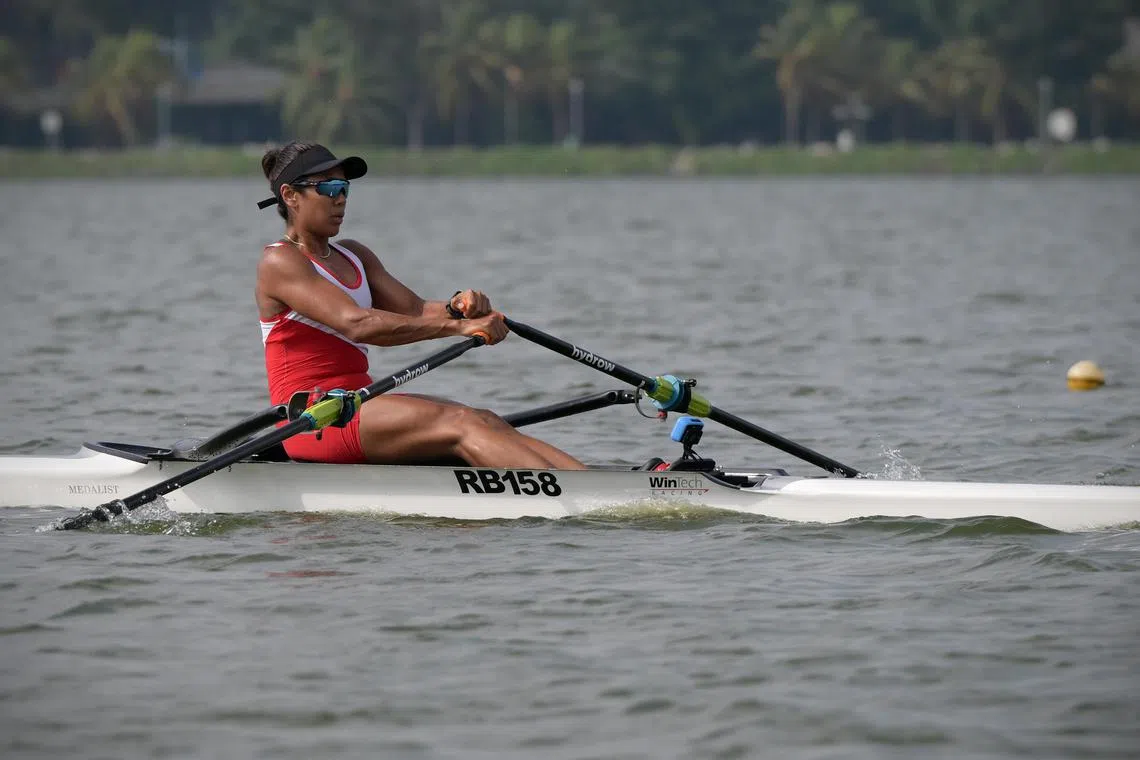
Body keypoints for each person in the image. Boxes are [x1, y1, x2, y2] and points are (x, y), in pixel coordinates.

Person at [255, 140, 586, 470]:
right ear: (290, 196)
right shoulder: (280, 261)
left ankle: (594, 485)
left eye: (344, 187)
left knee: (485, 420)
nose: (340, 198)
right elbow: (358, 324)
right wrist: (458, 327)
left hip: (360, 403)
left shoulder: (355, 255)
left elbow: (414, 309)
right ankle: (580, 500)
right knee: (460, 423)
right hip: (313, 419)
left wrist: (460, 308)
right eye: (327, 187)